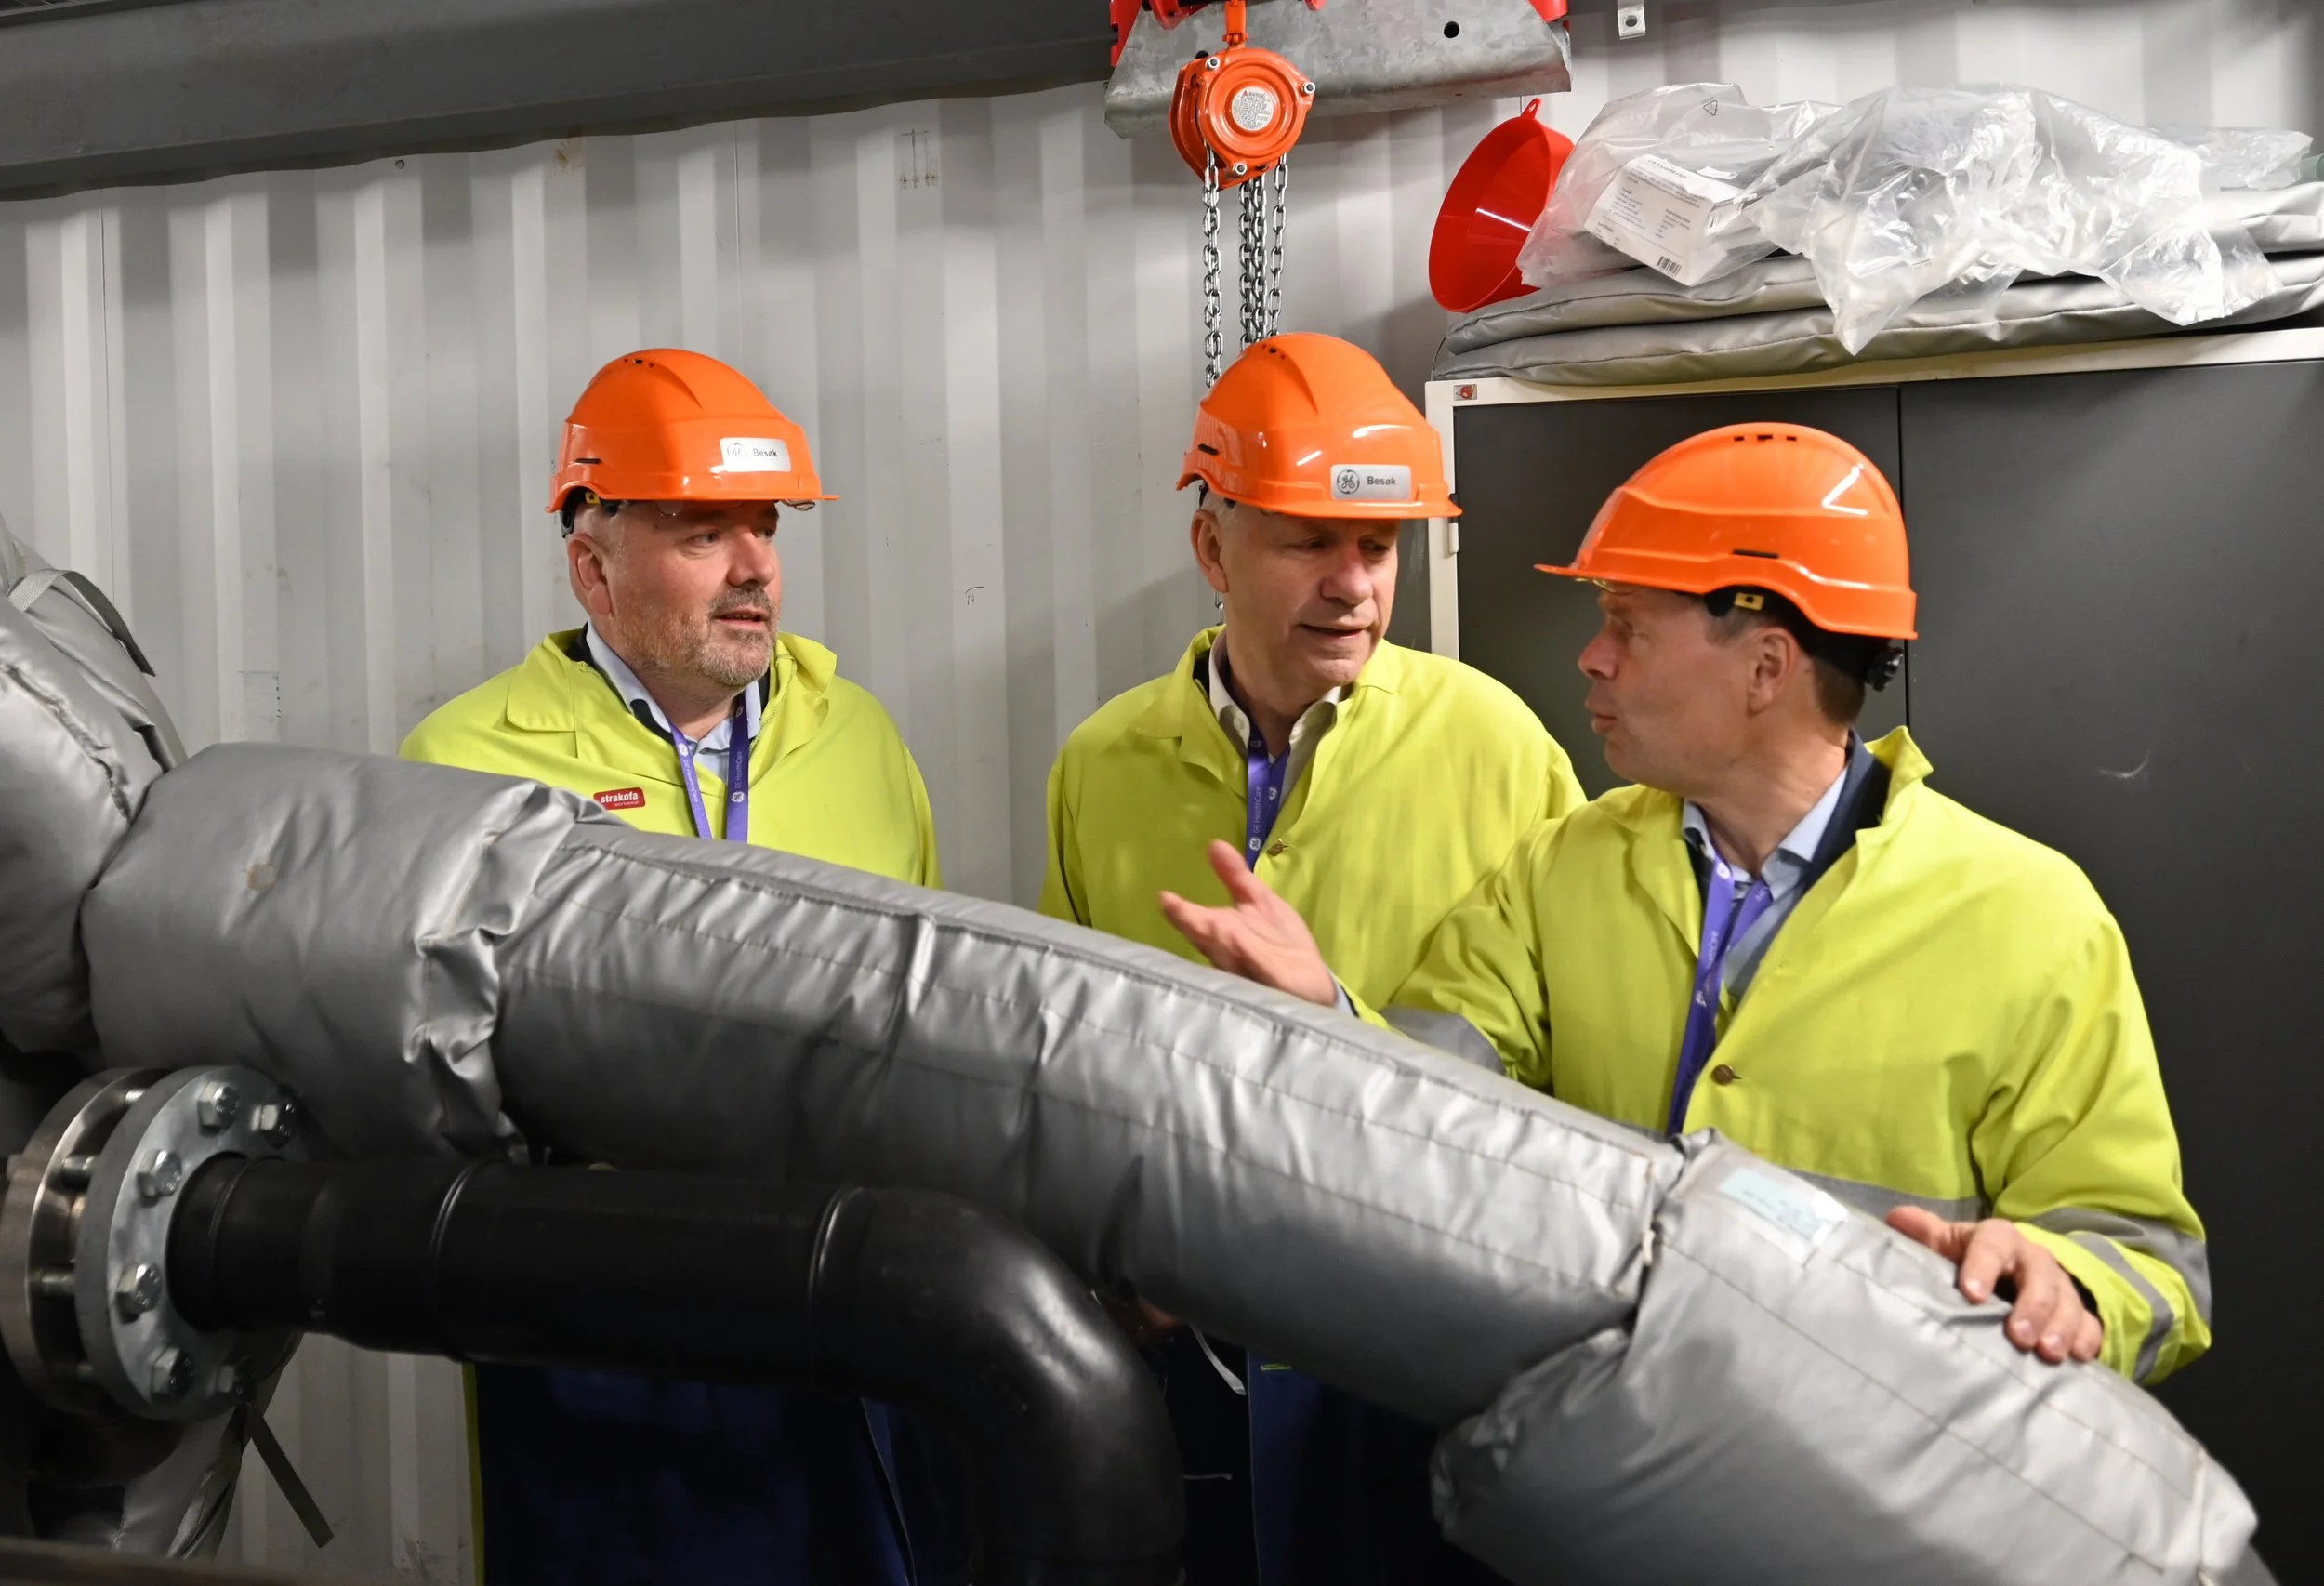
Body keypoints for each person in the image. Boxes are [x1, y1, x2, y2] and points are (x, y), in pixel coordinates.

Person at [1162, 422, 2209, 1388]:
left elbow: (2148, 1264)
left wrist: (2068, 1286)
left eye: (1627, 624)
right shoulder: (1561, 868)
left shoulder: (2027, 918)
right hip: (1596, 1463)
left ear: (1765, 666)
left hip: (1865, 1480)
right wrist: (1330, 1011)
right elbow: (1435, 1109)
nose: (1592, 655)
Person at [403, 348, 957, 1585]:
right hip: (596, 1329)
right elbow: (423, 1086)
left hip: (841, 1308)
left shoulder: (862, 740)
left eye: (765, 527)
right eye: (705, 532)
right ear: (592, 568)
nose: (755, 566)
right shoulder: (461, 768)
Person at [1041, 333, 1585, 1586]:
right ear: (1212, 547)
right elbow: (1066, 1052)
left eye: (1378, 547)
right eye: (1309, 543)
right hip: (1182, 1337)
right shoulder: (1102, 763)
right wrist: (1119, 1263)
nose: (1353, 586)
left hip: (1417, 1333)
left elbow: (1561, 1060)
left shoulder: (1496, 745)